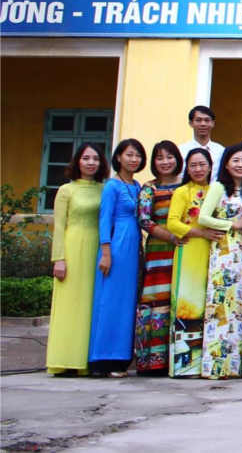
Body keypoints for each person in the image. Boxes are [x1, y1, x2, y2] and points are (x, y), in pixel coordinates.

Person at [47, 142, 107, 376]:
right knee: (69, 304)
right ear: (77, 162)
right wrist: (59, 258)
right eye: (86, 158)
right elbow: (59, 226)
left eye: (96, 159)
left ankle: (86, 360)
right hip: (73, 248)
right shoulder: (66, 190)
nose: (91, 163)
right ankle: (64, 359)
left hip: (98, 249)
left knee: (91, 304)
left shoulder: (105, 189)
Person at [199, 144, 242, 380]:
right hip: (224, 250)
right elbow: (203, 217)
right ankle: (216, 366)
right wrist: (233, 224)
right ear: (226, 164)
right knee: (221, 304)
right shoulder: (219, 187)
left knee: (240, 307)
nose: (240, 165)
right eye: (236, 160)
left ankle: (236, 366)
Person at [88, 140, 144, 377]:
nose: (134, 159)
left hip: (132, 247)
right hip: (116, 246)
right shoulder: (112, 186)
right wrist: (106, 253)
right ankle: (101, 360)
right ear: (118, 157)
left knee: (127, 303)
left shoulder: (137, 185)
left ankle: (121, 359)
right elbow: (104, 219)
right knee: (110, 301)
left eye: (138, 155)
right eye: (129, 154)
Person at [167, 148, 220, 377]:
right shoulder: (182, 192)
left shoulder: (216, 191)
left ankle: (208, 363)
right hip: (189, 251)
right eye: (193, 165)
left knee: (210, 305)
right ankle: (182, 368)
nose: (198, 169)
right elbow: (173, 223)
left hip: (214, 252)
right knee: (187, 304)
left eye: (202, 164)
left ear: (210, 166)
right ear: (187, 169)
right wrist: (202, 233)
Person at [135, 142, 186, 376]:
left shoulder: (187, 186)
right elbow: (144, 220)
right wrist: (171, 237)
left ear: (177, 158)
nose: (165, 162)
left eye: (169, 157)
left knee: (179, 299)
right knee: (157, 300)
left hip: (185, 251)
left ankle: (179, 360)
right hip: (158, 253)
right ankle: (152, 361)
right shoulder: (150, 188)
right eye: (159, 158)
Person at [179, 106, 224, 181]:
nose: (203, 124)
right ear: (191, 123)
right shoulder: (181, 151)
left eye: (207, 120)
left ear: (213, 123)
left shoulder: (221, 151)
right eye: (198, 120)